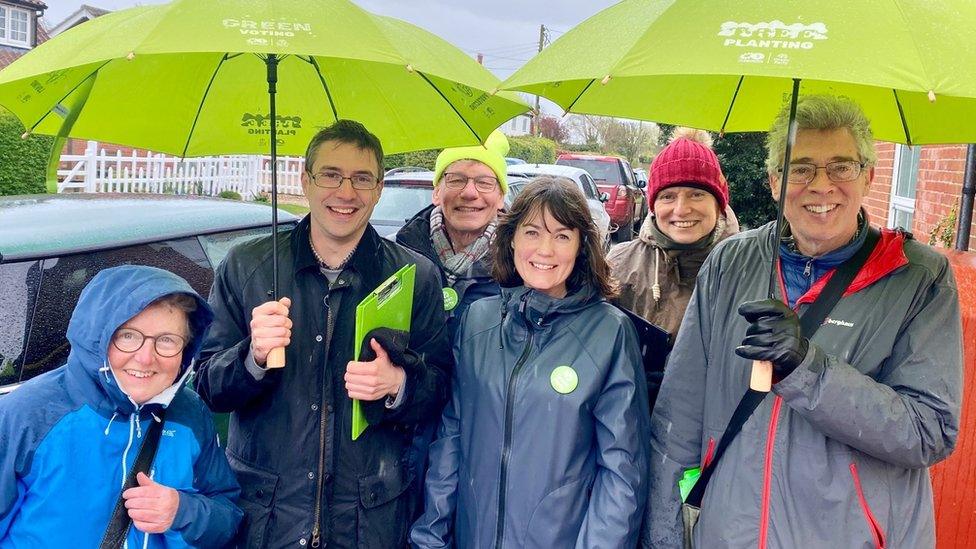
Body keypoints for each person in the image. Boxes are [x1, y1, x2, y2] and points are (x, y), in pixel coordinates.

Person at [644, 95, 962, 548]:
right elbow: (679, 420)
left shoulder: (919, 278)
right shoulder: (730, 262)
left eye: (841, 167)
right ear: (775, 182)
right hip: (728, 534)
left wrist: (806, 370)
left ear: (869, 176)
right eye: (801, 168)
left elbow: (928, 431)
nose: (821, 185)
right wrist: (664, 539)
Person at [196, 119, 452, 548]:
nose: (346, 192)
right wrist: (253, 358)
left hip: (367, 521)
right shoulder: (246, 267)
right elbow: (207, 388)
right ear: (306, 181)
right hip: (266, 519)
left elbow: (441, 388)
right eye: (331, 174)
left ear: (379, 189)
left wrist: (400, 385)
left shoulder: (415, 275)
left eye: (361, 179)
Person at [411, 176, 650, 548]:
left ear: (581, 247)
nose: (545, 250)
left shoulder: (609, 332)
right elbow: (451, 439)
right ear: (511, 239)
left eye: (562, 236)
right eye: (533, 232)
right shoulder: (478, 320)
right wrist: (430, 535)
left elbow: (621, 472)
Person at [0, 265, 242, 547]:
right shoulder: (27, 415)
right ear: (97, 339)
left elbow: (228, 517)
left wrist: (183, 512)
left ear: (186, 349)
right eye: (128, 336)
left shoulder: (189, 413)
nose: (145, 358)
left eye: (166, 340)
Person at [608, 127, 737, 340]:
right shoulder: (618, 265)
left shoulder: (747, 270)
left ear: (718, 204)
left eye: (696, 194)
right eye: (668, 196)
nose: (681, 209)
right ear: (653, 205)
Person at [396, 130, 508, 336]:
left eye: (484, 182)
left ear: (500, 198)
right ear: (437, 192)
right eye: (456, 180)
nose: (469, 193)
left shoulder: (521, 266)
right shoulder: (398, 257)